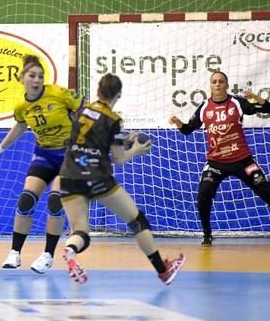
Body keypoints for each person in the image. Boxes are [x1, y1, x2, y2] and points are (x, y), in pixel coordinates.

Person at [60, 73, 185, 285]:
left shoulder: (82, 110)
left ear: (98, 90)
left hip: (69, 174)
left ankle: (70, 251)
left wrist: (123, 139)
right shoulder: (113, 119)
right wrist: (135, 149)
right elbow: (118, 159)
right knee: (137, 221)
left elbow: (93, 139)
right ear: (118, 95)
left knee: (81, 230)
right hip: (97, 177)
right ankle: (163, 270)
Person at [169, 71, 270, 246]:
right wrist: (178, 123)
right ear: (210, 86)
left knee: (269, 194)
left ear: (226, 85)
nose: (218, 84)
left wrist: (255, 97)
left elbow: (269, 109)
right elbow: (188, 129)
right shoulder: (204, 107)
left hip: (243, 161)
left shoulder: (237, 103)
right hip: (216, 163)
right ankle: (207, 235)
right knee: (203, 195)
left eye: (221, 81)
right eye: (214, 82)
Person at [0, 54, 82, 274]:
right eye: (32, 75)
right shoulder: (21, 105)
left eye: (40, 76)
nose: (37, 80)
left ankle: (47, 255)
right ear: (22, 79)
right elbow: (19, 127)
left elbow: (84, 108)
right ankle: (15, 253)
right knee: (26, 199)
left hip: (69, 155)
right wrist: (0, 148)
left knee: (56, 200)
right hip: (44, 155)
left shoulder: (58, 93)